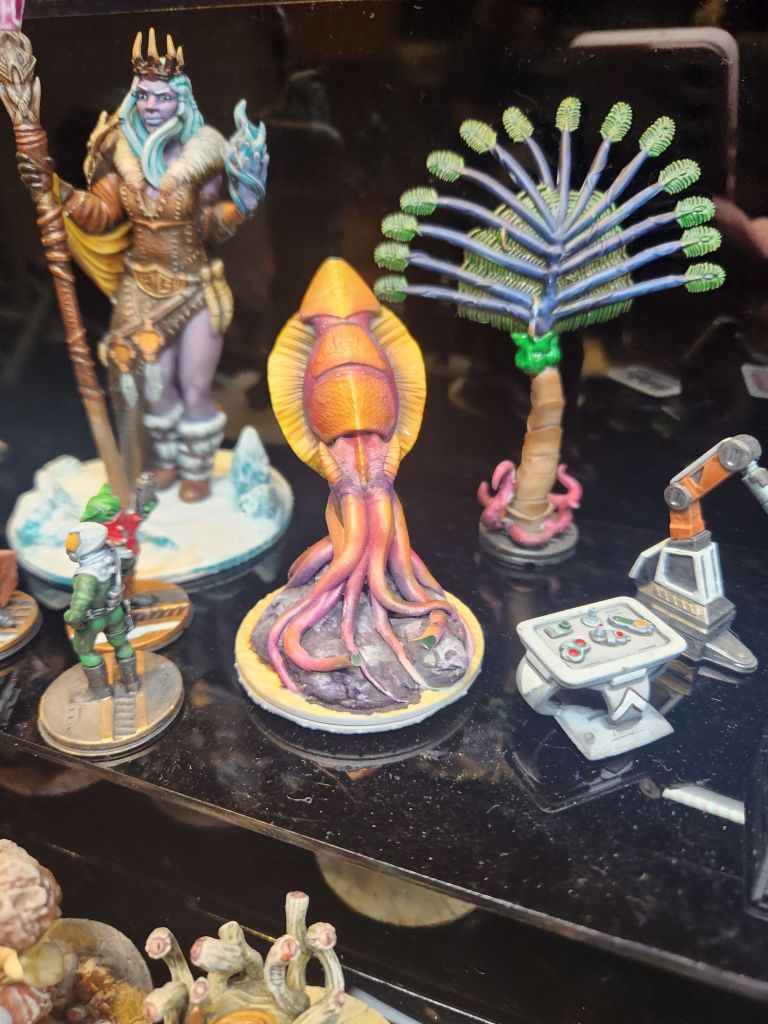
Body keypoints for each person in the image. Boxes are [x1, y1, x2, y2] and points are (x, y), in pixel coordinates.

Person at [18, 29, 268, 501]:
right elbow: (100, 213)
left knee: (194, 387)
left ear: (181, 101)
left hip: (194, 288)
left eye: (162, 97)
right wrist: (55, 189)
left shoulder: (203, 152)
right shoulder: (121, 150)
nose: (152, 106)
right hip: (140, 288)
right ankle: (165, 462)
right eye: (145, 95)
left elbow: (211, 226)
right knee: (152, 388)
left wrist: (243, 205)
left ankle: (197, 469)